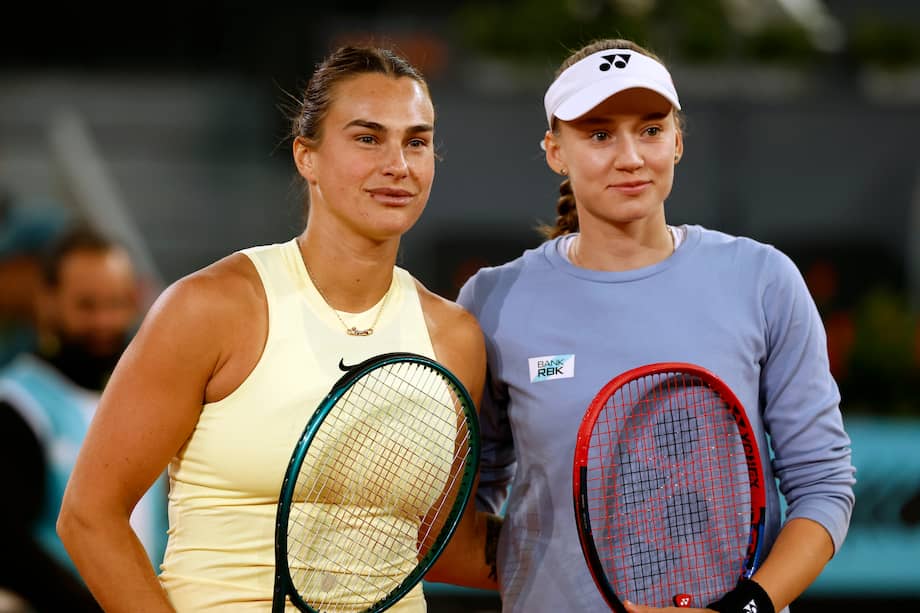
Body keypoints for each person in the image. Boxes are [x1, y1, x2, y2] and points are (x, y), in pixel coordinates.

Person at [57, 45, 499, 612]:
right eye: (367, 138)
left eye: (416, 141)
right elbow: (90, 517)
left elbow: (446, 546)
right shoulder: (210, 307)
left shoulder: (455, 339)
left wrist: (600, 559)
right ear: (306, 156)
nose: (399, 165)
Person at [456, 38, 856, 613]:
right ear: (554, 150)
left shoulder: (763, 279)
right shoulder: (493, 299)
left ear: (677, 141)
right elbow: (466, 507)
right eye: (598, 134)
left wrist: (745, 609)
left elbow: (824, 488)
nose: (630, 156)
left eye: (650, 129)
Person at [0, 224, 166, 612]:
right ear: (48, 302)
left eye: (116, 303)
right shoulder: (16, 402)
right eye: (87, 306)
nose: (105, 322)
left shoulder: (152, 400)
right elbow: (7, 545)